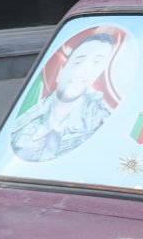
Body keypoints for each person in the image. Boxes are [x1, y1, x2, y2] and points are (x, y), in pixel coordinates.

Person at [10, 30, 118, 161]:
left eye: (96, 63)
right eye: (78, 62)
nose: (81, 71)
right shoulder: (24, 118)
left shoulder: (101, 119)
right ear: (61, 70)